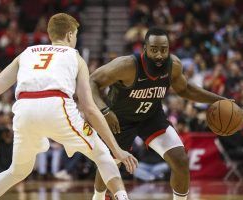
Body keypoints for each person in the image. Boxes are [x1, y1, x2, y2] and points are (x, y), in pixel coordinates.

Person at [0, 13, 138, 200]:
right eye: (75, 35)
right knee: (102, 154)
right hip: (56, 106)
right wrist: (117, 150)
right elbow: (89, 108)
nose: (75, 39)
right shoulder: (74, 56)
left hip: (24, 110)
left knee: (17, 171)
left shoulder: (27, 53)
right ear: (69, 35)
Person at [90, 27, 227, 200]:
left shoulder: (173, 65)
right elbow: (92, 81)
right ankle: (98, 196)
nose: (159, 55)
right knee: (109, 164)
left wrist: (218, 100)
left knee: (180, 160)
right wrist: (104, 110)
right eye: (154, 49)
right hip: (119, 119)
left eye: (164, 49)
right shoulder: (127, 66)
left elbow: (185, 89)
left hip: (150, 116)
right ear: (145, 48)